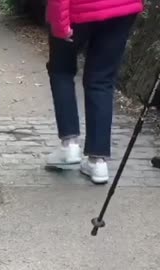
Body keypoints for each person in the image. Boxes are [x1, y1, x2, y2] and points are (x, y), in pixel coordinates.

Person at [44, 0, 144, 184]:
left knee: (61, 70)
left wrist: (60, 24)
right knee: (102, 80)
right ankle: (98, 162)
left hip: (77, 10)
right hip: (121, 9)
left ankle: (69, 144)